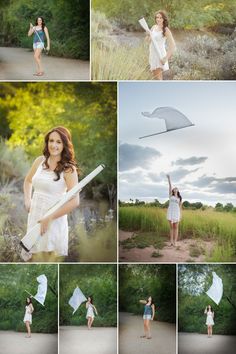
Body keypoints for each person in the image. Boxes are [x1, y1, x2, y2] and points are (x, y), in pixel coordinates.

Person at [24, 126, 79, 261]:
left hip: (53, 221)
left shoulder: (69, 169)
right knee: (33, 259)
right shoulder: (39, 161)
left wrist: (49, 217)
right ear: (47, 142)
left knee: (49, 260)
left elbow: (75, 201)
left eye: (59, 142)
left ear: (65, 145)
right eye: (51, 141)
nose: (53, 145)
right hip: (35, 217)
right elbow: (27, 181)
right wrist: (27, 201)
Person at [146, 10, 175, 80]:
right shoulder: (153, 27)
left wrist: (165, 58)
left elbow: (172, 46)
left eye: (160, 18)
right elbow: (148, 41)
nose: (158, 19)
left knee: (158, 78)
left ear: (164, 19)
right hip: (152, 54)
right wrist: (148, 34)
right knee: (155, 77)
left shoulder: (166, 30)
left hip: (160, 55)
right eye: (157, 17)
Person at [166, 174, 182, 246]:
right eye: (174, 188)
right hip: (170, 212)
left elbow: (180, 207)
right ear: (173, 190)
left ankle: (175, 242)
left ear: (178, 190)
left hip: (177, 213)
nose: (175, 188)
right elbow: (170, 186)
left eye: (176, 188)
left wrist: (180, 215)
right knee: (171, 227)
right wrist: (169, 179)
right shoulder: (170, 196)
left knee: (176, 227)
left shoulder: (179, 198)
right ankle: (171, 241)